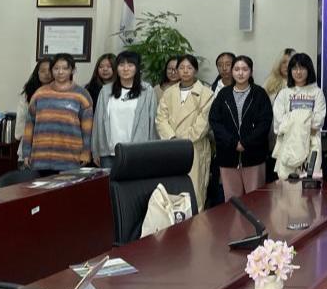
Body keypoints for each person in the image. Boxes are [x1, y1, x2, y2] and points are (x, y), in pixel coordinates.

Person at [156, 54, 215, 212]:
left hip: (194, 147)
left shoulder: (206, 94)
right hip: (171, 146)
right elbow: (161, 118)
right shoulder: (169, 93)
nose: (185, 71)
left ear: (195, 70)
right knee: (172, 192)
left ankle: (196, 224)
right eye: (181, 68)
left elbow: (203, 124)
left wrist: (182, 141)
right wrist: (172, 138)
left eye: (189, 68)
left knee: (195, 192)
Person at [209, 55, 273, 201]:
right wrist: (233, 142)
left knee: (255, 201)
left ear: (251, 72)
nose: (240, 73)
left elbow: (265, 123)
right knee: (232, 202)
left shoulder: (259, 94)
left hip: (254, 156)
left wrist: (245, 143)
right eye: (237, 69)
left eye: (245, 69)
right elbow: (215, 121)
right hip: (228, 156)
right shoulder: (223, 94)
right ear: (232, 72)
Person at [22, 53, 94, 175]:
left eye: (65, 68)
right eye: (56, 68)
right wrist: (26, 152)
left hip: (71, 158)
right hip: (41, 158)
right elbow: (29, 125)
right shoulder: (40, 93)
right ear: (51, 70)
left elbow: (87, 129)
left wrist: (86, 152)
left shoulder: (82, 95)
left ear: (72, 70)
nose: (60, 72)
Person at [91, 51, 158, 169]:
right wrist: (95, 150)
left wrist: (153, 151)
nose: (125, 69)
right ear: (116, 68)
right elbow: (98, 122)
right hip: (109, 153)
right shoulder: (106, 91)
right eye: (121, 65)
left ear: (137, 68)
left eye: (130, 65)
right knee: (109, 181)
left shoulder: (147, 91)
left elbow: (153, 123)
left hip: (138, 152)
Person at [272, 53, 326, 177]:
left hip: (311, 147)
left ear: (309, 70)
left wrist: (291, 118)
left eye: (302, 68)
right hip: (287, 147)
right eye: (294, 68)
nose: (298, 72)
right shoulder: (284, 94)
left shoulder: (317, 93)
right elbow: (279, 126)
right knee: (286, 185)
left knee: (309, 184)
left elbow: (317, 123)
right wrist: (306, 118)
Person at [15, 58, 53, 167]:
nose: (47, 74)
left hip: (54, 152)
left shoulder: (62, 93)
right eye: (42, 71)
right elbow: (20, 123)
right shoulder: (28, 93)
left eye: (50, 70)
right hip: (29, 152)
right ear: (37, 73)